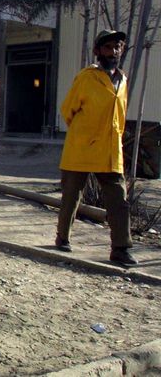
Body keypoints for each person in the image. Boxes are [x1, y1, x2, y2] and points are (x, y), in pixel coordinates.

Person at [54, 29, 137, 266]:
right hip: (81, 147)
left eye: (118, 47)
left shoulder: (122, 79)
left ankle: (121, 248)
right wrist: (84, 132)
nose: (114, 52)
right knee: (71, 195)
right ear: (98, 51)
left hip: (110, 150)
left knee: (119, 200)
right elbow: (68, 109)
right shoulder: (87, 77)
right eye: (109, 47)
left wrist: (116, 137)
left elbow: (120, 115)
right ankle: (63, 237)